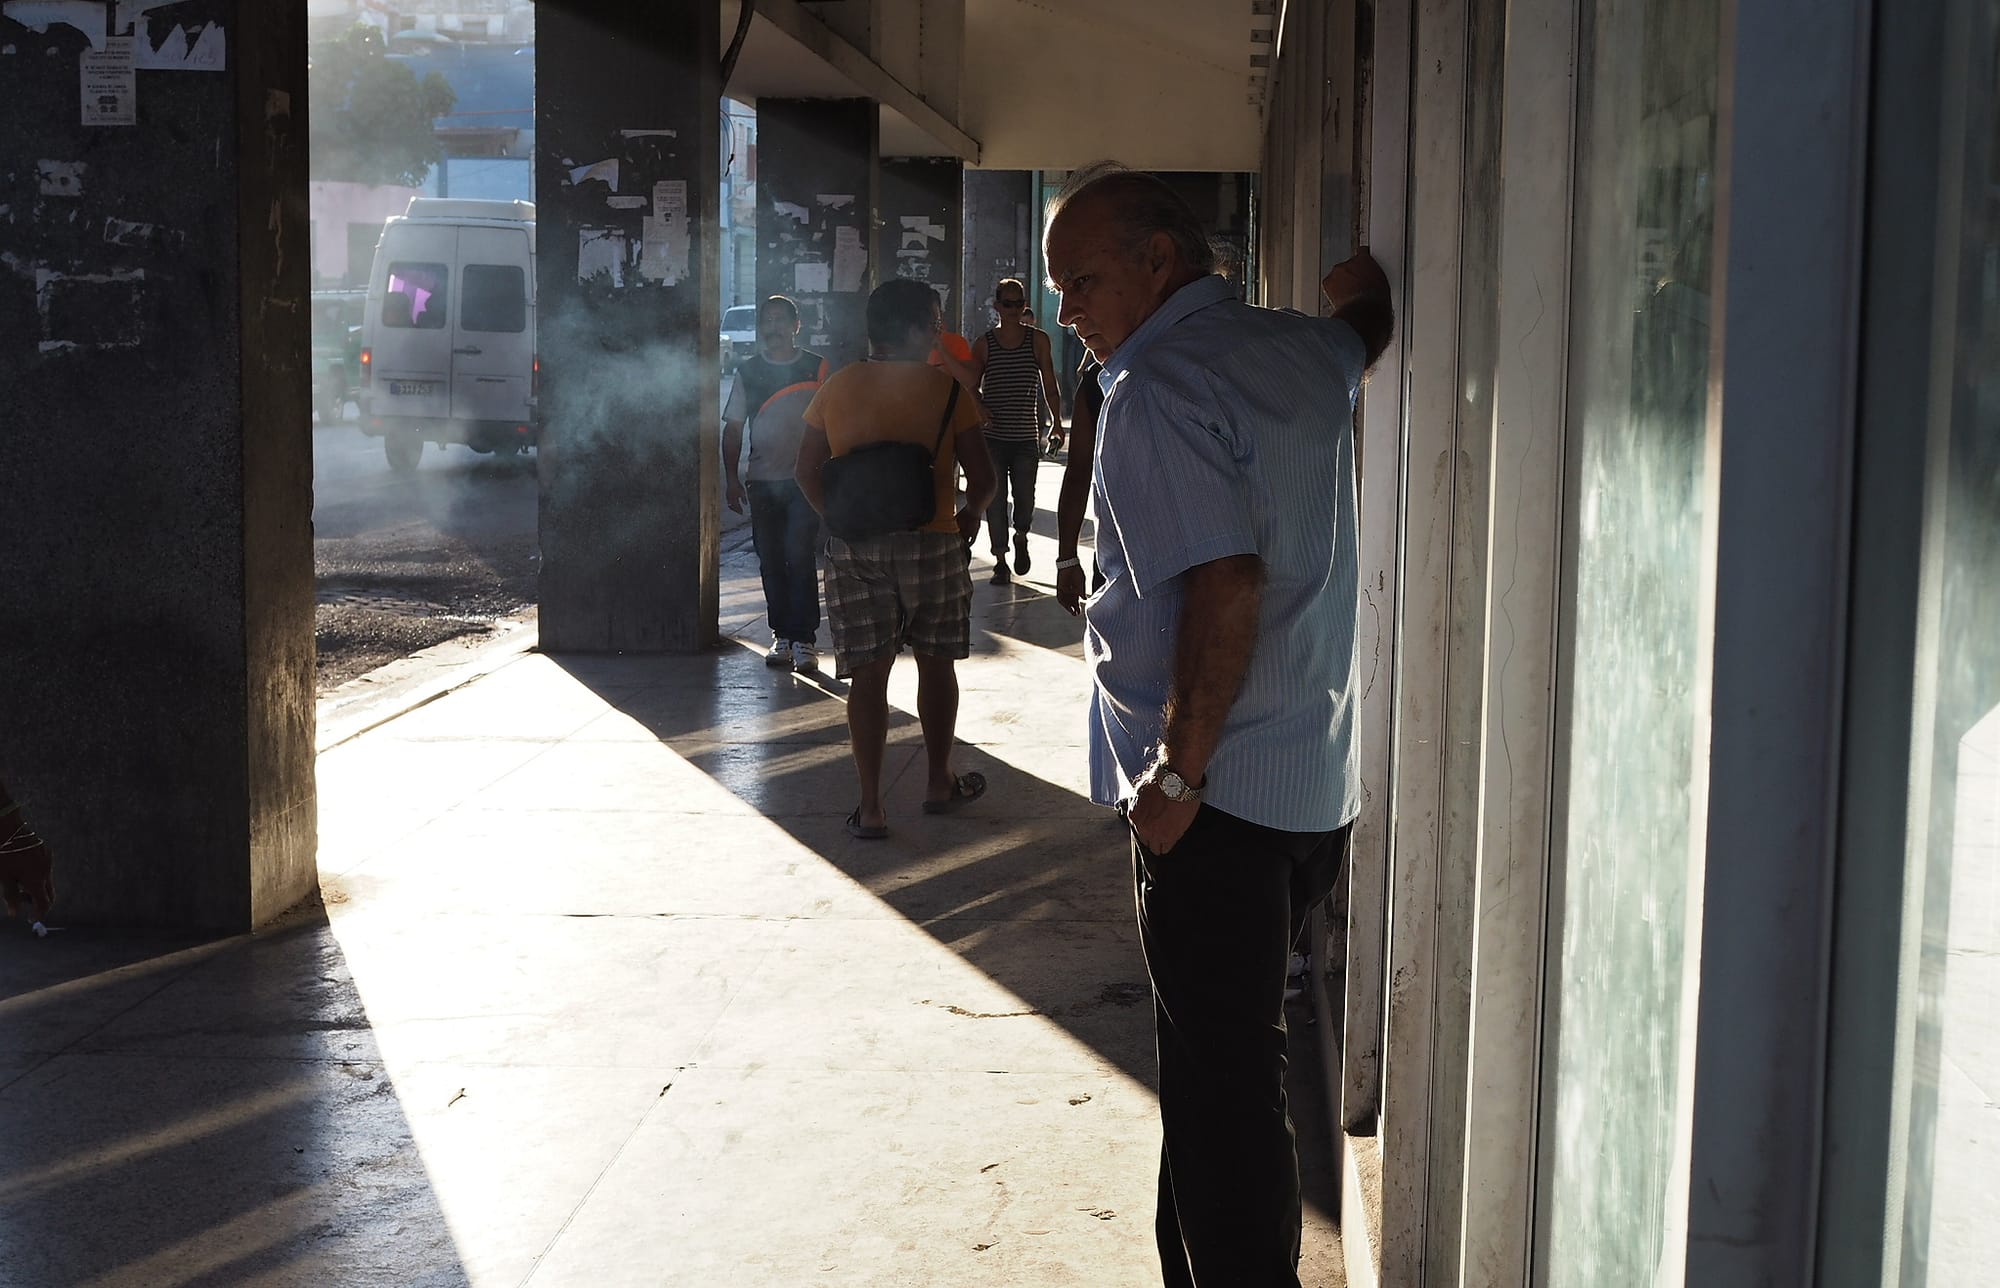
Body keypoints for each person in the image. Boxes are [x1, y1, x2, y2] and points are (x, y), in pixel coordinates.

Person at [1043, 164, 1394, 1287]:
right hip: (1307, 794)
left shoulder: (1154, 388)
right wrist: (1368, 290)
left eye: (1082, 280)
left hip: (1218, 805)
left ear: (1161, 258)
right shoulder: (1298, 348)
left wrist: (1177, 780)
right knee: (1217, 1072)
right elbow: (1361, 334)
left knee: (1223, 1094)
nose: (1066, 311)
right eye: (1057, 289)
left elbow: (1226, 584)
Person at [794, 278, 999, 839]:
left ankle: (872, 806)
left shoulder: (836, 386)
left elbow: (805, 470)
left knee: (868, 674)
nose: (939, 329)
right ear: (914, 328)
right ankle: (938, 781)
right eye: (934, 320)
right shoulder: (947, 393)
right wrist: (970, 515)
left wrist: (837, 520)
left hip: (856, 547)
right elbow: (983, 478)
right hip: (932, 543)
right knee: (936, 663)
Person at [723, 295, 832, 671]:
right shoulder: (748, 372)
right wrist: (731, 481)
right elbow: (733, 429)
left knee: (799, 556)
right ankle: (781, 636)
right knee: (770, 560)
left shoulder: (817, 368)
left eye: (780, 320)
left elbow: (834, 423)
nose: (774, 327)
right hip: (762, 480)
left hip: (805, 480)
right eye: (767, 320)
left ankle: (804, 640)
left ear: (795, 326)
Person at [964, 278, 1062, 584]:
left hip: (1025, 437)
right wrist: (979, 407)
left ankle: (1021, 534)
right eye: (1008, 304)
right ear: (997, 307)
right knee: (994, 500)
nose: (1014, 309)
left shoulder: (1038, 340)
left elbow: (1049, 382)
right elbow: (969, 384)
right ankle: (1000, 559)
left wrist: (1057, 423)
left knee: (1024, 497)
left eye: (1019, 303)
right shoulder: (984, 343)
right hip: (992, 437)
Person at [1053, 351, 1104, 616]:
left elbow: (1078, 473)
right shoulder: (1095, 381)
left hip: (1116, 555)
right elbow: (1077, 474)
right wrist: (1066, 559)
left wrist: (1067, 560)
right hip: (1114, 554)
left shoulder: (1096, 380)